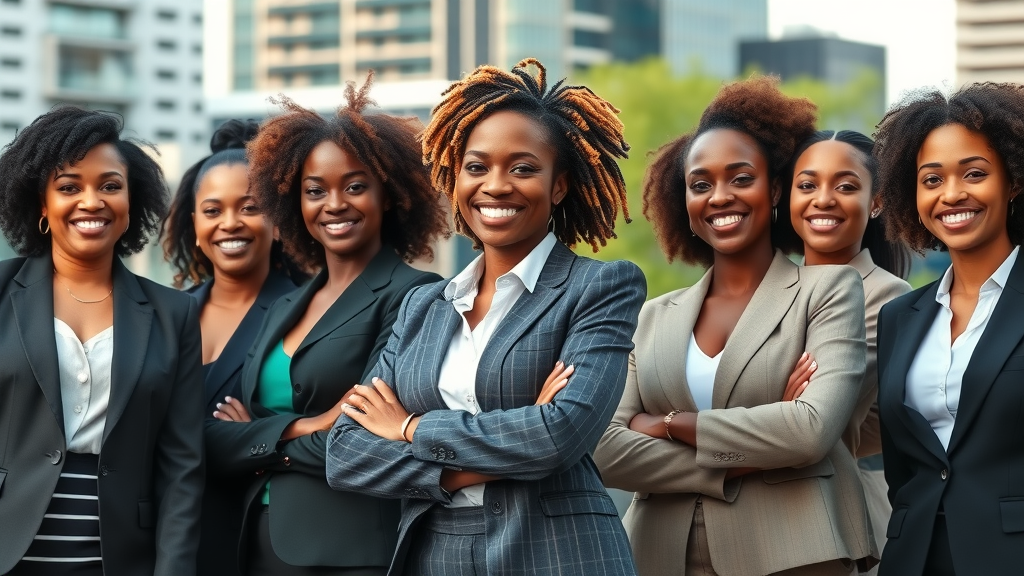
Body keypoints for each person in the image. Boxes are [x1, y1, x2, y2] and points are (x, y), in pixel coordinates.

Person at [326, 59, 646, 576]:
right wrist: (469, 470)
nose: (496, 186)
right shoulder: (423, 306)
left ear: (558, 185)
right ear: (456, 179)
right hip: (435, 554)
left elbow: (558, 436)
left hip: (559, 554)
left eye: (523, 168)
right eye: (477, 167)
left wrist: (409, 426)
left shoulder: (599, 287)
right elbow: (345, 454)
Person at [594, 76, 876, 576]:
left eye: (741, 178)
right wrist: (757, 449)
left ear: (774, 190)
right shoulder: (652, 315)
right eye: (701, 184)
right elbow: (607, 450)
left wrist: (669, 424)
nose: (719, 196)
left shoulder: (827, 292)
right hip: (662, 555)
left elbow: (810, 431)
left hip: (793, 552)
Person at [203, 76, 448, 576]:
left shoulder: (417, 294)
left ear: (390, 195)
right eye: (315, 191)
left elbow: (367, 439)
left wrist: (257, 439)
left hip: (350, 553)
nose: (334, 204)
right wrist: (308, 424)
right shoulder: (283, 306)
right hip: (256, 544)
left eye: (355, 186)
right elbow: (210, 438)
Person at [0, 107, 204, 575]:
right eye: (69, 187)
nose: (91, 201)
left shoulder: (175, 315)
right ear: (41, 206)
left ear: (132, 204)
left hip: (119, 559)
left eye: (110, 185)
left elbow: (182, 470)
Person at [873, 83, 1024, 576]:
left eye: (974, 174)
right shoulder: (900, 316)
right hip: (914, 558)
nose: (951, 194)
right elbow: (904, 470)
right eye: (931, 179)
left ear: (1013, 180)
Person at [162, 119, 301, 576]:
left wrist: (258, 432)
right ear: (194, 223)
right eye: (212, 210)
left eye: (250, 207)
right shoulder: (164, 314)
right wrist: (243, 438)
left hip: (256, 538)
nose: (230, 224)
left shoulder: (306, 311)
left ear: (278, 221)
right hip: (166, 537)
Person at [782, 129, 912, 572]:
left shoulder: (889, 298)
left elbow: (816, 419)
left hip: (831, 517)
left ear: (875, 202)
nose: (823, 199)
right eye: (807, 185)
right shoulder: (761, 287)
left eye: (846, 186)